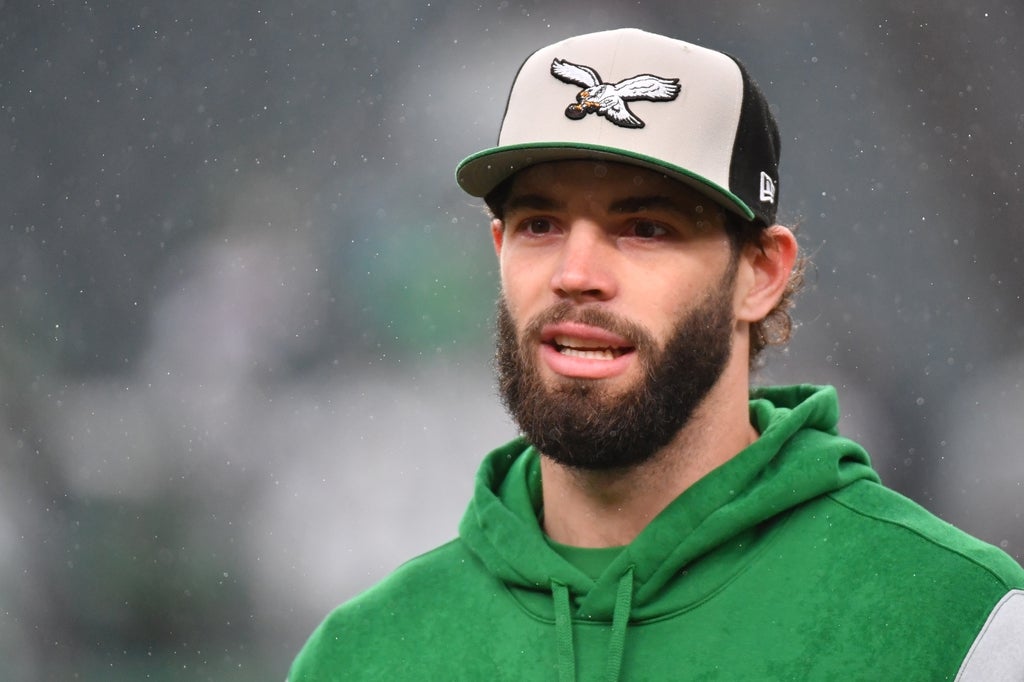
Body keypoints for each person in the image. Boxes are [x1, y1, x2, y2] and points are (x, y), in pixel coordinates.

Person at [288, 28, 1024, 680]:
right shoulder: (361, 656)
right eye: (539, 224)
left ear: (760, 274)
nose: (575, 273)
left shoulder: (958, 627)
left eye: (644, 228)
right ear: (498, 250)